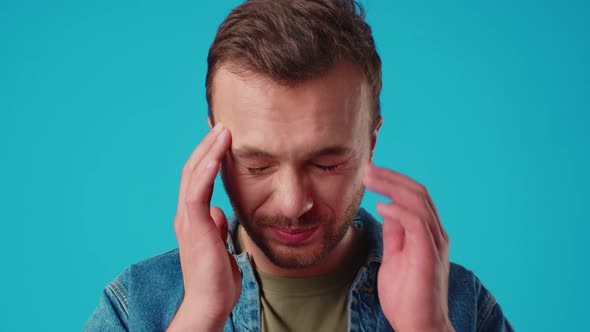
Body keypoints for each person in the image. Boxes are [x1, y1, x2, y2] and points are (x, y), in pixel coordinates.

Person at [85, 0, 513, 331]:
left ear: (371, 142)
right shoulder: (137, 306)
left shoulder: (460, 303)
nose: (293, 204)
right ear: (212, 150)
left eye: (326, 164)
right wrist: (199, 313)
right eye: (257, 166)